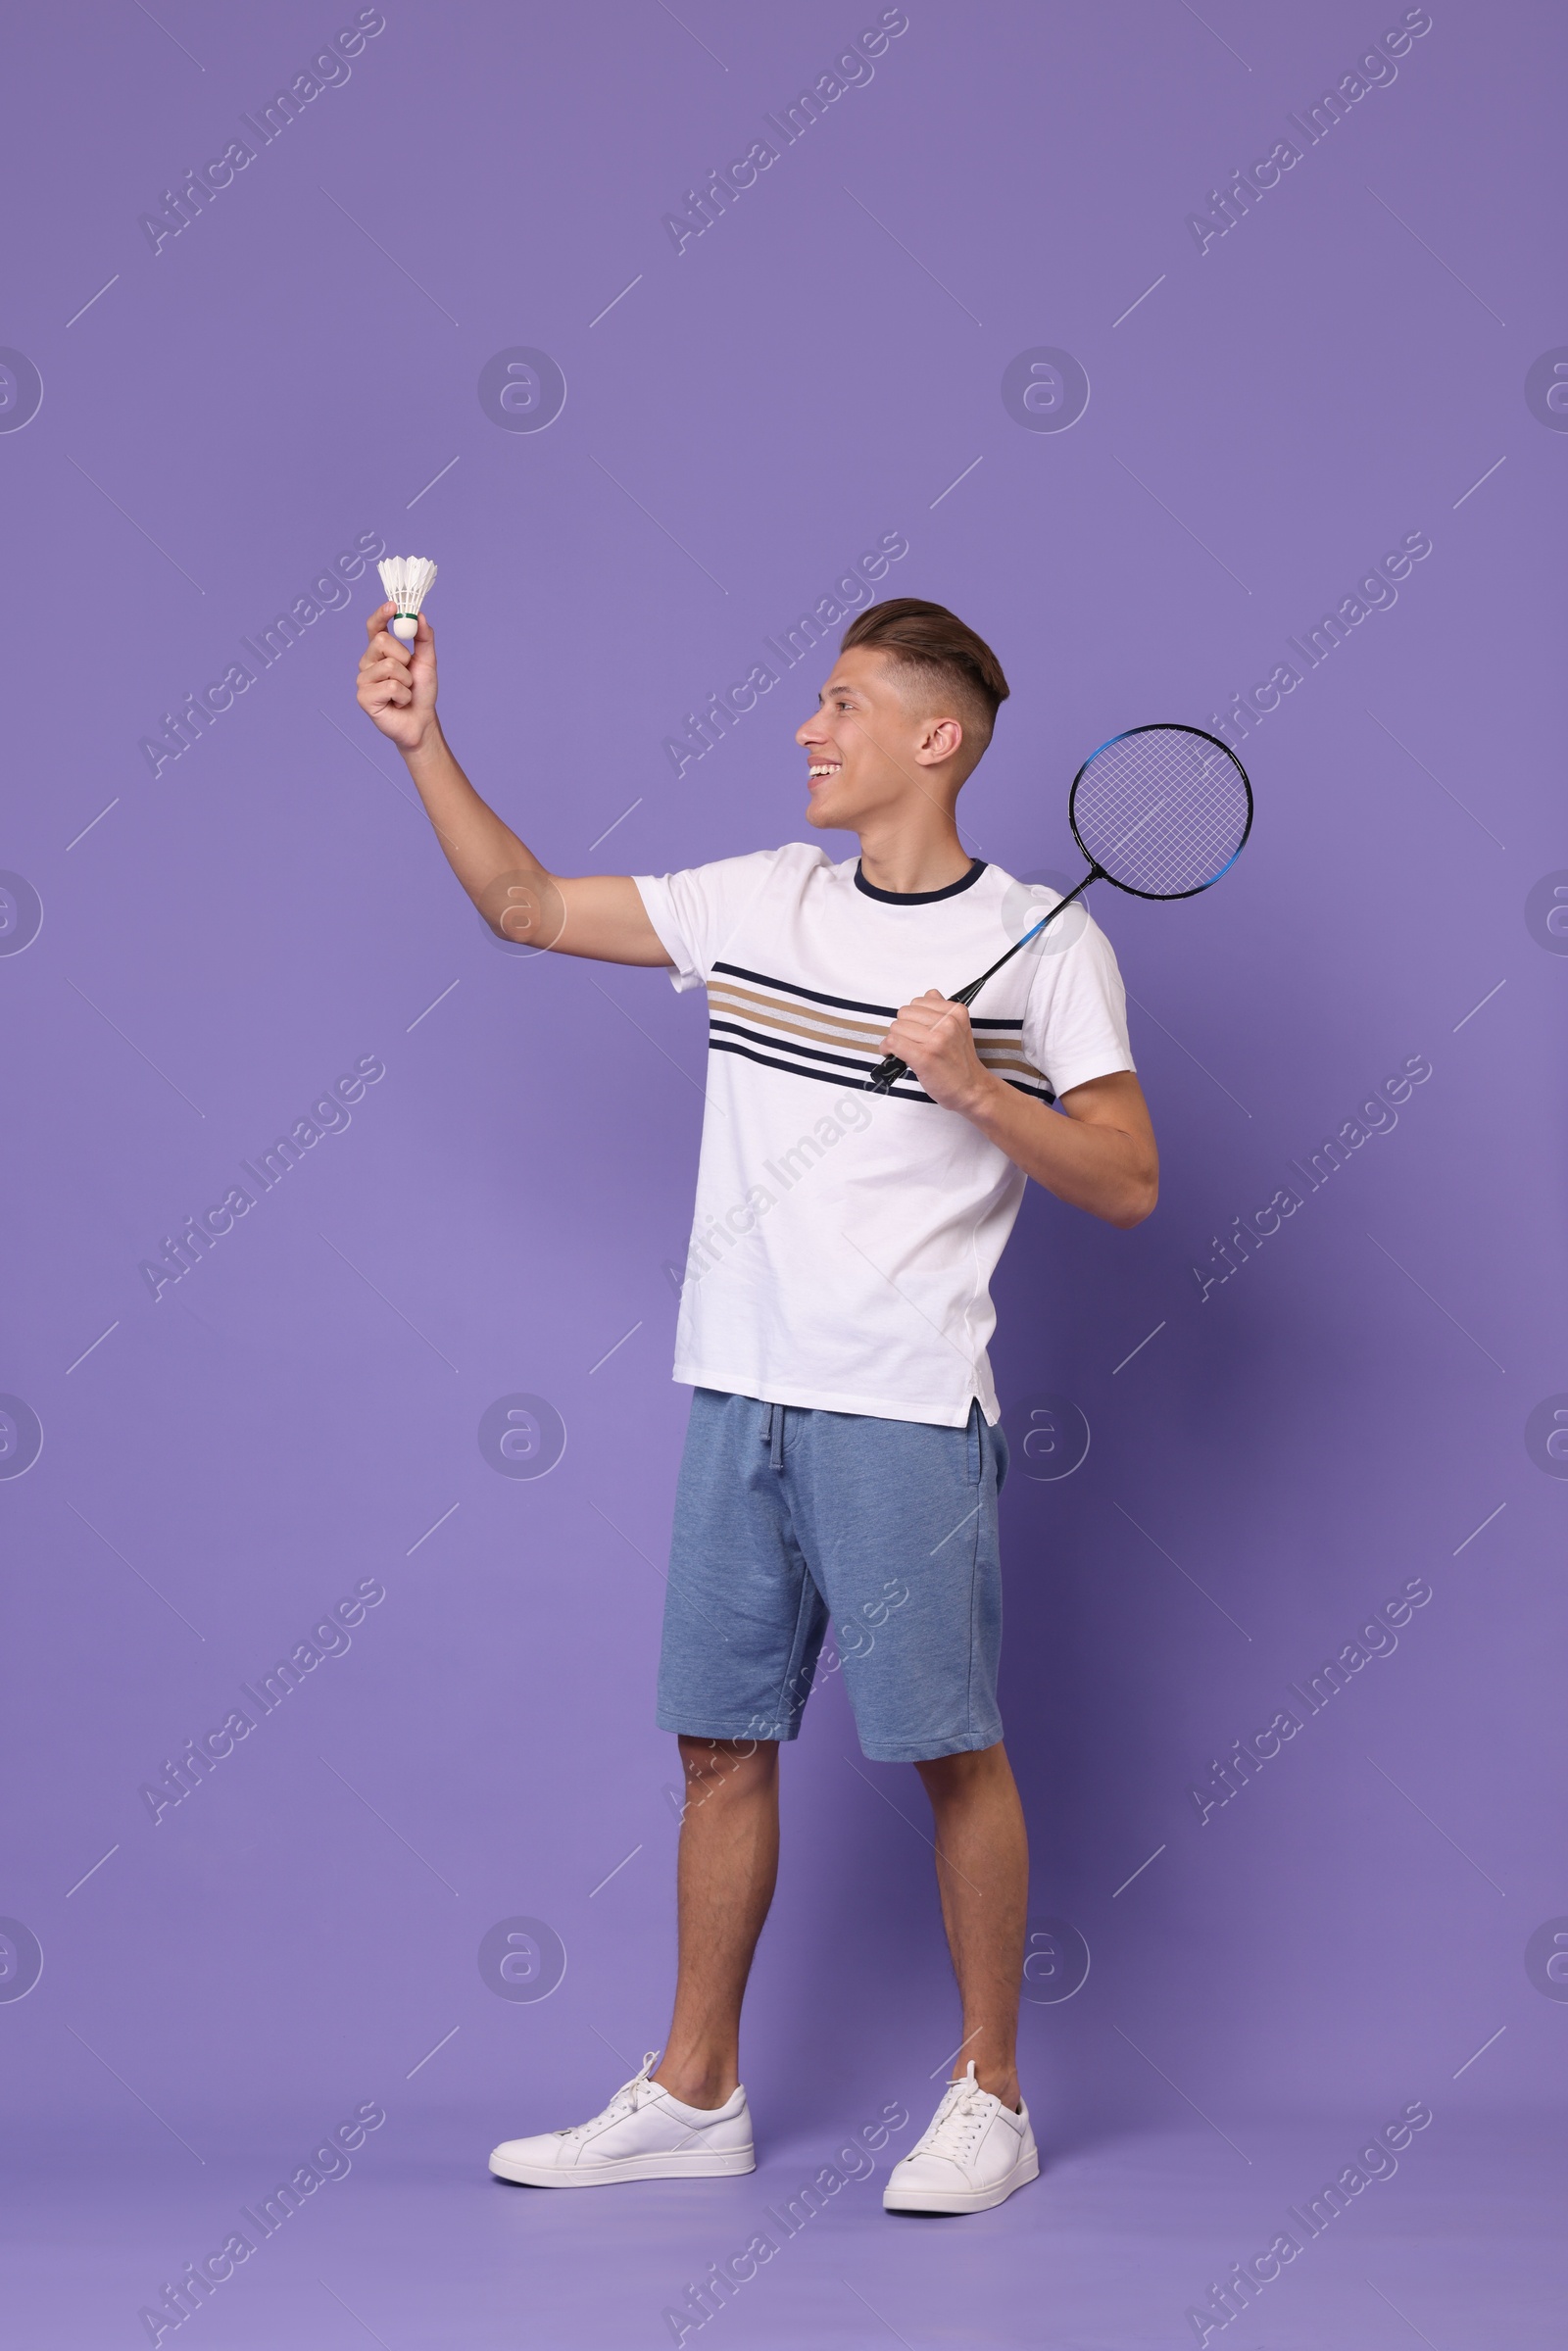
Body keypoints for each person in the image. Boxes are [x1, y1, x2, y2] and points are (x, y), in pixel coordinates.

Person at [355, 592, 1156, 2216]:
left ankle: (990, 2095)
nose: (810, 727)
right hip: (741, 1396)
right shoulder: (762, 900)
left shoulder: (1050, 945)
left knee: (949, 1749)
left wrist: (977, 1086)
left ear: (935, 739)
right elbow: (519, 906)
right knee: (720, 1751)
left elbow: (1129, 1181)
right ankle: (695, 2089)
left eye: (846, 704)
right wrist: (423, 742)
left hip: (906, 1408)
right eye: (817, 701)